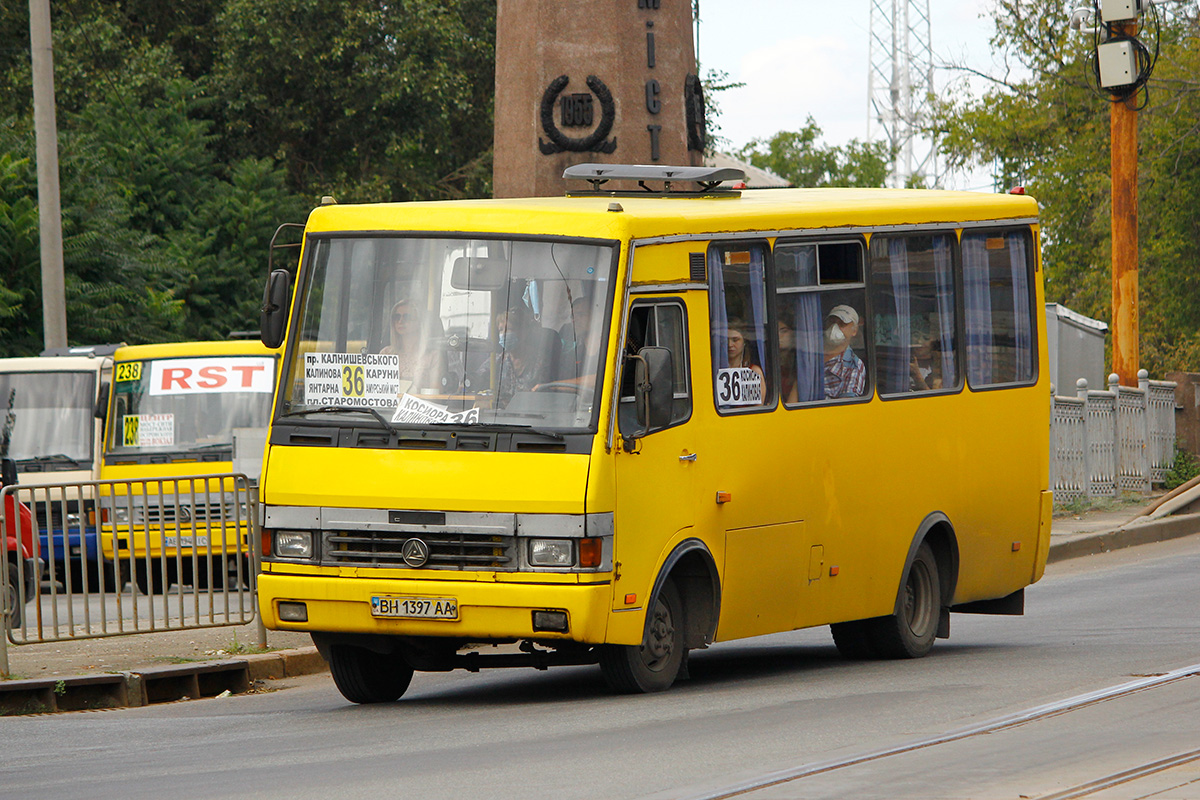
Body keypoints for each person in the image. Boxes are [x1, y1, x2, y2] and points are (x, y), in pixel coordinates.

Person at [380, 298, 444, 393]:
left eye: (406, 317)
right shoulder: (386, 354)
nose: (400, 321)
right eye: (396, 317)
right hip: (389, 407)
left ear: (419, 322)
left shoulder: (433, 355)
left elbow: (435, 394)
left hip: (420, 406)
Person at [823, 304, 866, 399]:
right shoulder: (813, 353)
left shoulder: (853, 366)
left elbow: (846, 407)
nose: (834, 327)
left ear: (854, 330)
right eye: (832, 322)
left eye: (842, 324)